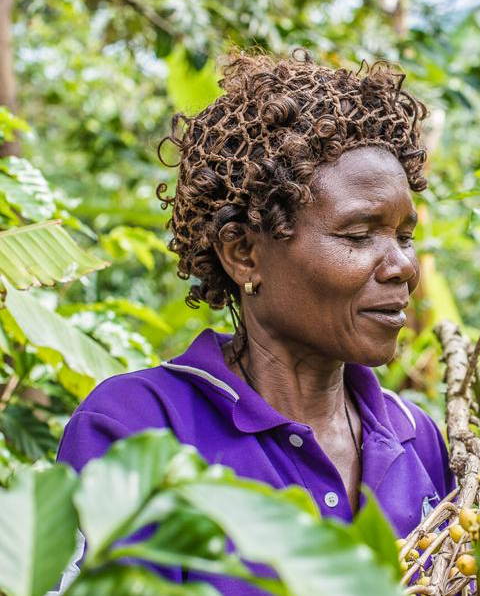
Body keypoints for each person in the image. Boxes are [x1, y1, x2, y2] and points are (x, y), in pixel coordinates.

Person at [57, 50, 456, 594]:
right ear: (244, 253)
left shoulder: (417, 438)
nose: (403, 267)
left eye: (403, 237)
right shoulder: (137, 429)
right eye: (359, 235)